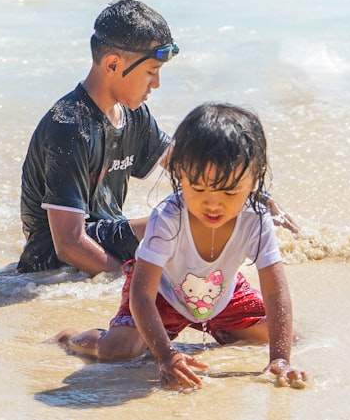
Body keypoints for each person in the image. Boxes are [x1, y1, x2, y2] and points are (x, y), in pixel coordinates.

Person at [16, 0, 299, 277]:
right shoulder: (69, 127)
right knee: (181, 217)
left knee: (209, 206)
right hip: (53, 263)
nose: (157, 84)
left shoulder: (133, 115)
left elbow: (188, 166)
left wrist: (256, 196)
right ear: (113, 64)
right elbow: (68, 245)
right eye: (151, 72)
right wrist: (126, 281)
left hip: (109, 240)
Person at [53, 103, 308, 391]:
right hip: (162, 292)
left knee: (288, 336)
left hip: (219, 290)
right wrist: (165, 356)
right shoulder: (169, 217)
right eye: (199, 189)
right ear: (180, 174)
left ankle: (223, 329)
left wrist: (280, 359)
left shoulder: (256, 220)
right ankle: (71, 337)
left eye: (229, 191)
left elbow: (276, 293)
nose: (213, 203)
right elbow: (142, 294)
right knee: (118, 351)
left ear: (255, 179)